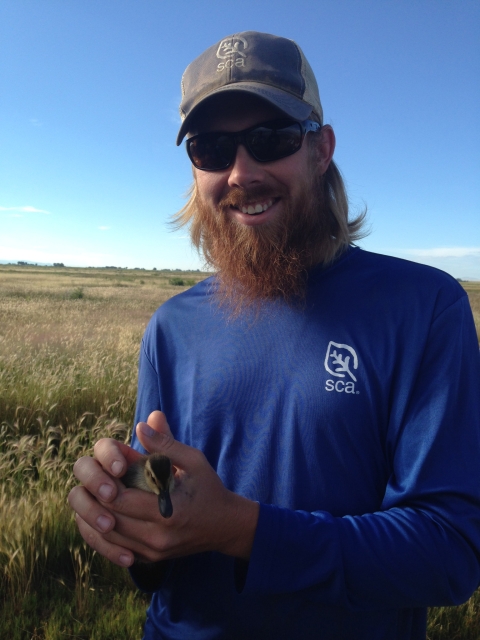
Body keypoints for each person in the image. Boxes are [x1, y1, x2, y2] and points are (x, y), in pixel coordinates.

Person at [68, 31, 480, 640]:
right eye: (212, 148)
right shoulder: (171, 328)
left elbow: (448, 552)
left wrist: (243, 530)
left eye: (272, 139)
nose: (242, 172)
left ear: (322, 149)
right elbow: (168, 535)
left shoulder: (423, 308)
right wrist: (125, 522)